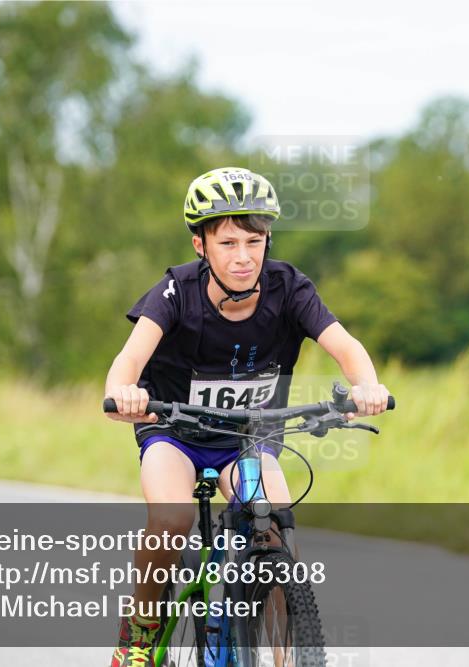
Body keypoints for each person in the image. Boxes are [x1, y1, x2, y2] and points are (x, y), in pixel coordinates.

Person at [104, 166, 390, 666]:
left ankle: (288, 656)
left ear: (267, 241)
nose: (243, 257)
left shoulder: (289, 288)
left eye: (254, 242)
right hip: (175, 431)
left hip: (249, 440)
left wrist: (367, 386)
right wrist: (123, 393)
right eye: (228, 243)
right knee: (172, 518)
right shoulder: (174, 292)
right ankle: (142, 633)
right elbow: (127, 362)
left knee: (277, 528)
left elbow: (346, 346)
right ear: (200, 245)